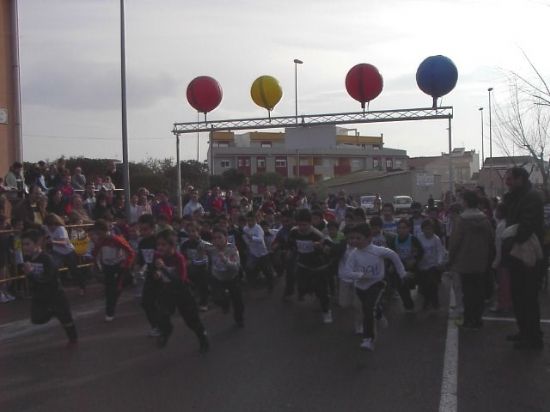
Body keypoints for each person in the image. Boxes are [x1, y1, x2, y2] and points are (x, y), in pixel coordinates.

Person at [342, 223, 408, 351]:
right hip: (360, 288)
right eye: (352, 238)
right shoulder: (353, 254)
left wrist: (402, 273)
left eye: (358, 238)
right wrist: (361, 275)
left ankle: (368, 339)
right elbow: (347, 272)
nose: (354, 241)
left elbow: (393, 255)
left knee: (368, 310)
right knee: (369, 308)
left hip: (377, 284)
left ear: (368, 238)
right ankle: (378, 313)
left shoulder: (377, 251)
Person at [501, 167, 544, 350]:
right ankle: (524, 332)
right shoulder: (517, 196)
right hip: (516, 255)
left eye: (510, 179)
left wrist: (511, 239)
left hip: (527, 255)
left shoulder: (531, 197)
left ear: (520, 179)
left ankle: (533, 337)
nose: (507, 182)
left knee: (528, 297)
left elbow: (526, 227)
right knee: (518, 296)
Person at [153, 230, 209, 352]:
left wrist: (163, 269)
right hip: (167, 290)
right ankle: (166, 332)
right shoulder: (158, 256)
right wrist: (157, 273)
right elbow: (157, 273)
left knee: (191, 320)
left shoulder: (179, 258)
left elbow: (180, 280)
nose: (160, 247)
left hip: (182, 292)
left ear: (172, 246)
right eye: (158, 245)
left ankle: (203, 337)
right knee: (161, 313)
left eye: (163, 245)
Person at [21, 229, 78, 345]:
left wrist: (31, 273)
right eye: (23, 244)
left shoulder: (47, 259)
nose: (25, 247)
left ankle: (73, 339)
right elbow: (32, 278)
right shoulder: (27, 259)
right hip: (40, 295)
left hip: (55, 294)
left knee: (66, 320)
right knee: (36, 318)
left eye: (28, 244)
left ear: (37, 244)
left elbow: (47, 279)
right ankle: (52, 312)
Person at [448, 191, 495, 329]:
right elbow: (490, 239)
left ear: (466, 202)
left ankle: (469, 319)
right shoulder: (484, 219)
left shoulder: (462, 220)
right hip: (481, 261)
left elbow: (455, 243)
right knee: (479, 290)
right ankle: (478, 318)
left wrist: (451, 259)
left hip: (464, 261)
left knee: (467, 291)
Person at [288, 209, 332, 324]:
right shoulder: (294, 232)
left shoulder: (317, 234)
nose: (302, 227)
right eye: (299, 225)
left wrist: (321, 248)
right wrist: (291, 252)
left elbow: (329, 250)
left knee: (322, 291)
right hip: (303, 264)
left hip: (318, 266)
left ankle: (326, 311)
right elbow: (291, 244)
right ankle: (309, 290)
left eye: (305, 225)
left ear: (310, 223)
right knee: (301, 286)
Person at [90, 219, 136, 321]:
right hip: (108, 267)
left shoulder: (116, 239)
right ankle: (110, 311)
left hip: (119, 266)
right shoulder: (100, 241)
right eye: (96, 233)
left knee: (116, 289)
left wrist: (126, 264)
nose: (98, 235)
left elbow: (131, 252)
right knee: (110, 290)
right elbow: (95, 253)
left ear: (105, 230)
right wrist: (96, 264)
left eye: (99, 233)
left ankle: (110, 310)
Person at [208, 228, 244, 327]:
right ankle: (225, 304)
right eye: (214, 238)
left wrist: (225, 260)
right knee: (217, 298)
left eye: (220, 237)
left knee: (238, 301)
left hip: (232, 277)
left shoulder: (232, 249)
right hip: (217, 277)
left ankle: (239, 319)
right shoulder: (210, 248)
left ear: (226, 238)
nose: (217, 240)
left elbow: (236, 267)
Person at [43, 213, 86, 295]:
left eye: (53, 225)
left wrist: (53, 242)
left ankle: (82, 287)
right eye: (49, 225)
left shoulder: (61, 229)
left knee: (74, 270)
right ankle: (56, 288)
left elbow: (65, 242)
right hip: (57, 252)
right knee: (53, 268)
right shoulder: (46, 228)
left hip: (68, 251)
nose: (51, 227)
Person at [388, 219, 424, 312]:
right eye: (399, 228)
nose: (402, 230)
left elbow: (420, 252)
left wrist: (414, 260)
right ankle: (409, 306)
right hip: (400, 266)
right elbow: (391, 253)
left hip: (412, 266)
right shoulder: (394, 240)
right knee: (401, 286)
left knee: (419, 283)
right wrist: (392, 265)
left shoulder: (413, 239)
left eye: (404, 228)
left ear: (409, 229)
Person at [135, 214, 161, 337]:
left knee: (163, 302)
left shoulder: (159, 241)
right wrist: (138, 266)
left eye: (145, 229)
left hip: (163, 275)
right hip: (151, 276)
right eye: (141, 229)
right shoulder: (142, 243)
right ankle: (156, 326)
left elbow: (168, 257)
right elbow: (141, 260)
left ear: (153, 228)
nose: (142, 232)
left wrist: (161, 270)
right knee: (146, 302)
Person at [180, 222, 210, 311]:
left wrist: (192, 262)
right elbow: (183, 256)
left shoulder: (203, 244)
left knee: (202, 283)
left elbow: (204, 260)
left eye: (193, 231)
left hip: (202, 268)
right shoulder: (185, 244)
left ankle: (204, 303)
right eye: (189, 231)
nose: (191, 233)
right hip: (190, 268)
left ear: (198, 232)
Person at [416, 219, 445, 310]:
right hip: (422, 266)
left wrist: (439, 262)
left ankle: (435, 303)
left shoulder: (436, 239)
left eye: (430, 229)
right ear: (422, 229)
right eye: (426, 229)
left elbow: (440, 251)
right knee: (424, 286)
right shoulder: (419, 238)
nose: (428, 231)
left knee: (433, 284)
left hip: (433, 265)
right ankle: (427, 300)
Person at [243, 212, 274, 291]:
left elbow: (260, 239)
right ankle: (253, 285)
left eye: (251, 220)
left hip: (263, 253)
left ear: (255, 220)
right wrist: (248, 242)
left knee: (267, 271)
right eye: (248, 220)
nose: (250, 223)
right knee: (249, 269)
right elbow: (245, 238)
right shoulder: (245, 228)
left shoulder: (258, 228)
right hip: (253, 253)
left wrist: (252, 238)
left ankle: (271, 286)